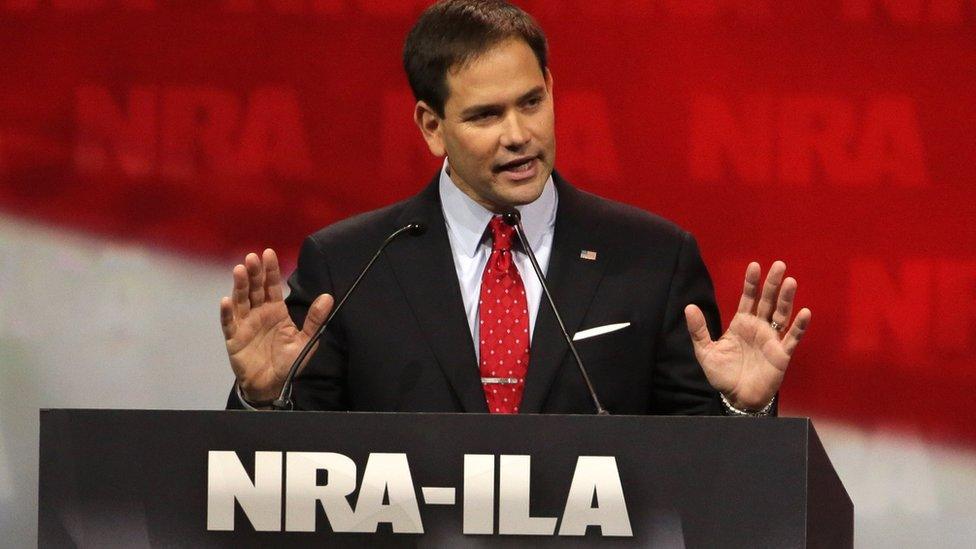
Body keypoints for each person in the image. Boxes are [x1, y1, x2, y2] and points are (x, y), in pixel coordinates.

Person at [220, 0, 810, 415]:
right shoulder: (349, 265)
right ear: (431, 126)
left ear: (552, 89)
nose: (519, 134)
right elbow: (287, 484)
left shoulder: (653, 258)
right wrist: (265, 401)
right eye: (485, 115)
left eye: (531, 102)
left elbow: (707, 478)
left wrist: (740, 409)